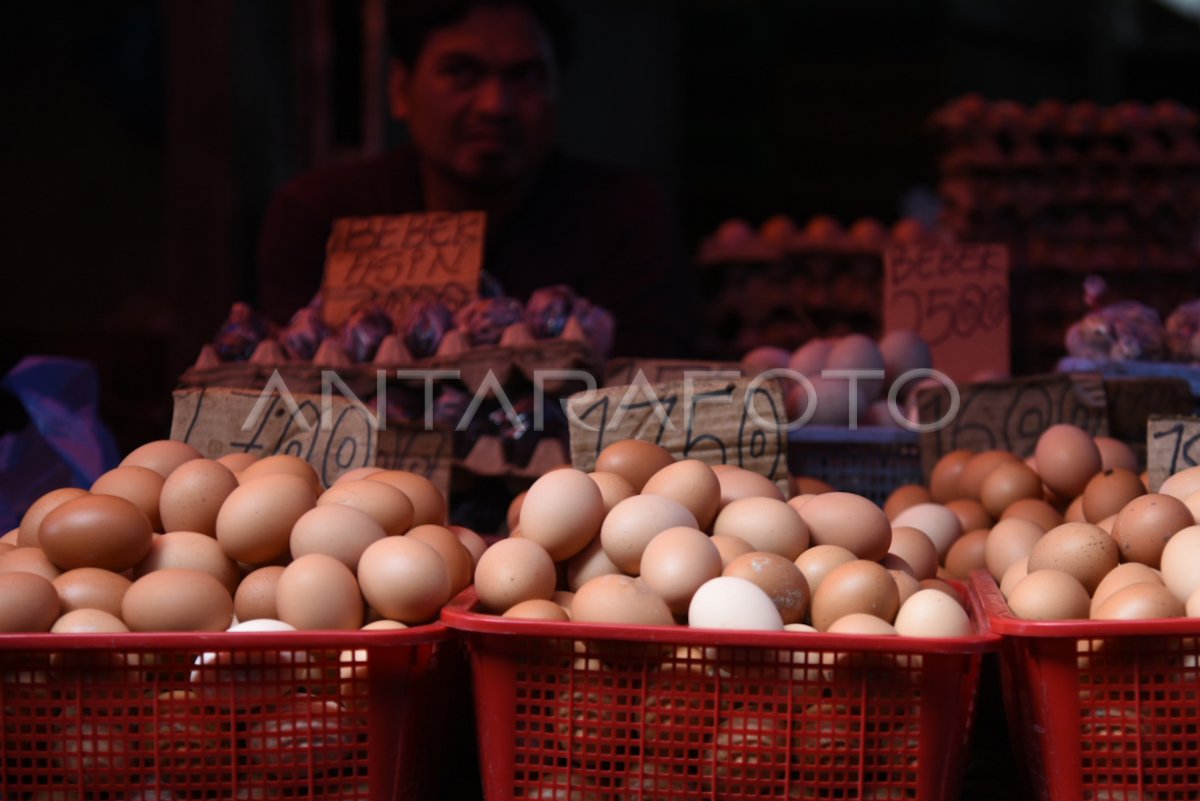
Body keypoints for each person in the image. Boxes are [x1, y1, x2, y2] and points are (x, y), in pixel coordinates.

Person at [256, 0, 693, 358]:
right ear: (400, 89)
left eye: (524, 76)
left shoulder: (624, 216)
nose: (494, 105)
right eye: (461, 72)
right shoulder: (321, 214)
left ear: (559, 92)